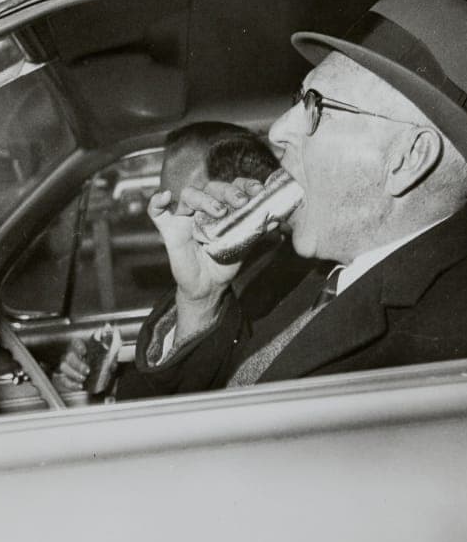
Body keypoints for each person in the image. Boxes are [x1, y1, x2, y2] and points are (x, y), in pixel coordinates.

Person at [104, 0, 467, 399]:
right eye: (299, 99)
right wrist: (201, 299)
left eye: (316, 107)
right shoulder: (314, 276)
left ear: (408, 158)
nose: (279, 130)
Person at [53, 122, 317, 393]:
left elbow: (207, 396)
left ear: (239, 199)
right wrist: (108, 383)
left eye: (188, 205)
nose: (169, 228)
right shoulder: (216, 280)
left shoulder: (292, 294)